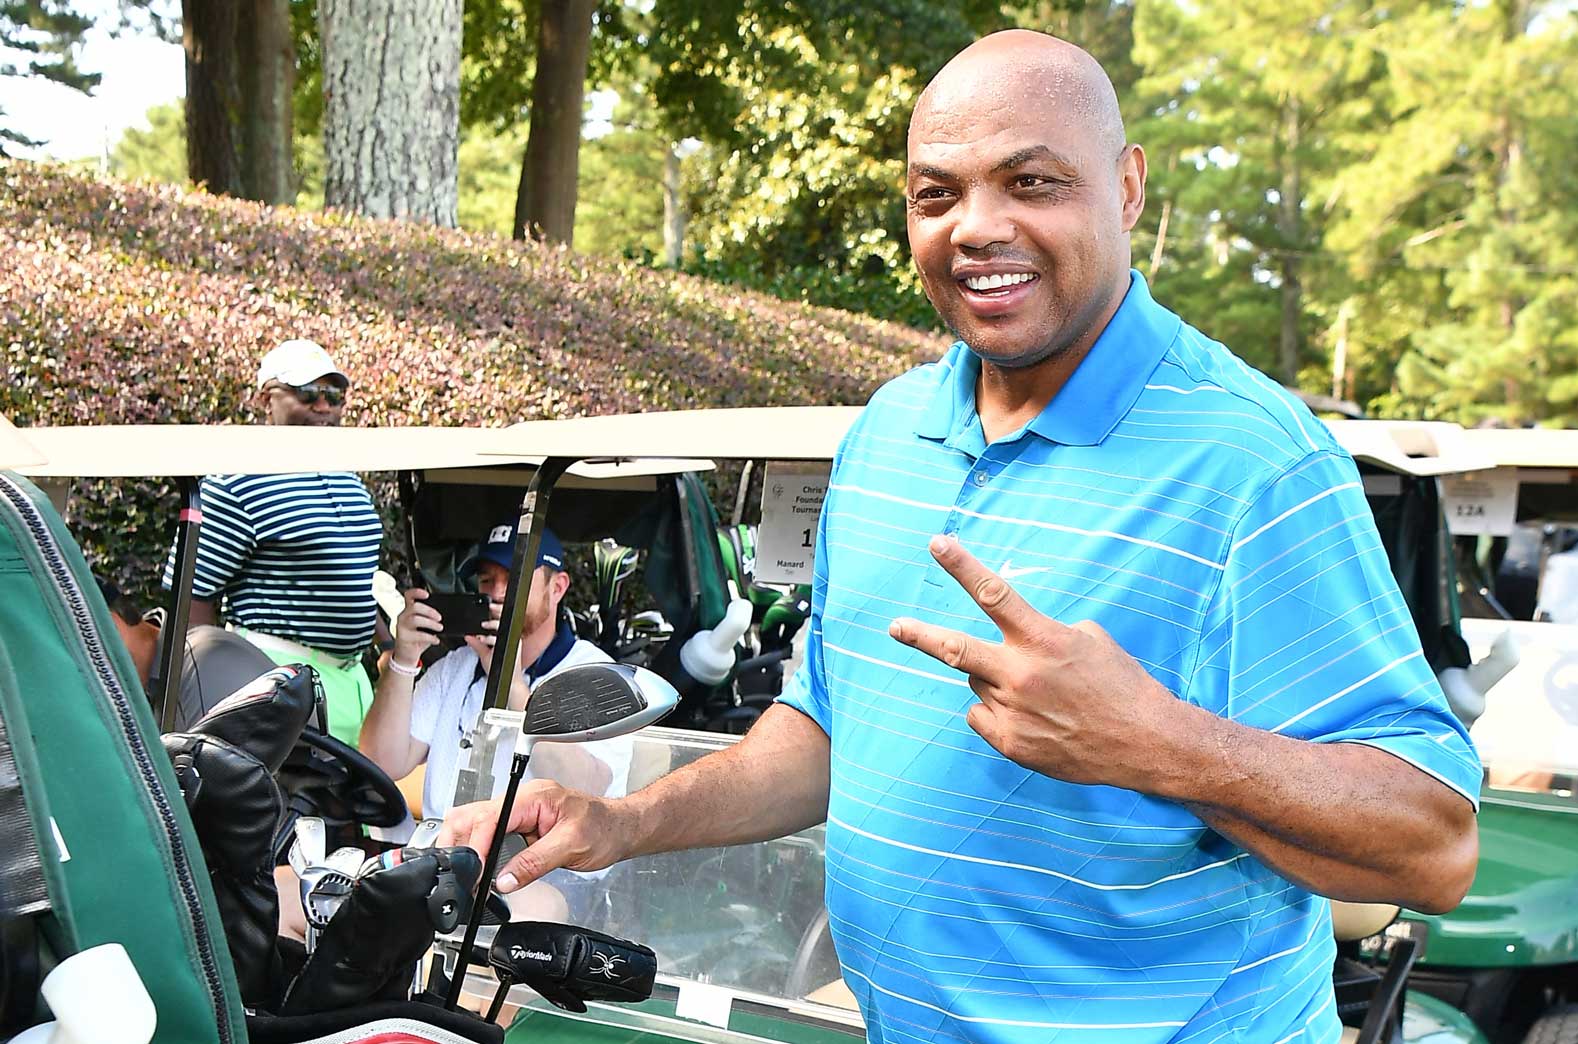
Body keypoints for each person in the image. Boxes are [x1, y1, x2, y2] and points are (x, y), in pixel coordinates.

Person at [445, 30, 1479, 1043]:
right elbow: (827, 728)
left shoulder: (1255, 461)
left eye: (1031, 183)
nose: (976, 227)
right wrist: (624, 825)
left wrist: (1157, 746)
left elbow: (1433, 849)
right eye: (935, 195)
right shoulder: (886, 435)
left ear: (1126, 189)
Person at [163, 339, 383, 744]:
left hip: (352, 681)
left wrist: (389, 646)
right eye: (307, 393)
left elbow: (358, 577)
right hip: (277, 680)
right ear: (266, 398)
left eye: (334, 394)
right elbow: (190, 596)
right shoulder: (237, 481)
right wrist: (207, 688)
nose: (324, 406)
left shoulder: (348, 477)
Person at [359, 521, 626, 825]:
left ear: (557, 588)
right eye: (486, 580)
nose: (497, 593)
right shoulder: (455, 667)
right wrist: (403, 661)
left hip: (536, 853)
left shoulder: (597, 674)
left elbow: (589, 790)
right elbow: (381, 764)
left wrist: (513, 687)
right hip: (442, 848)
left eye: (515, 578)